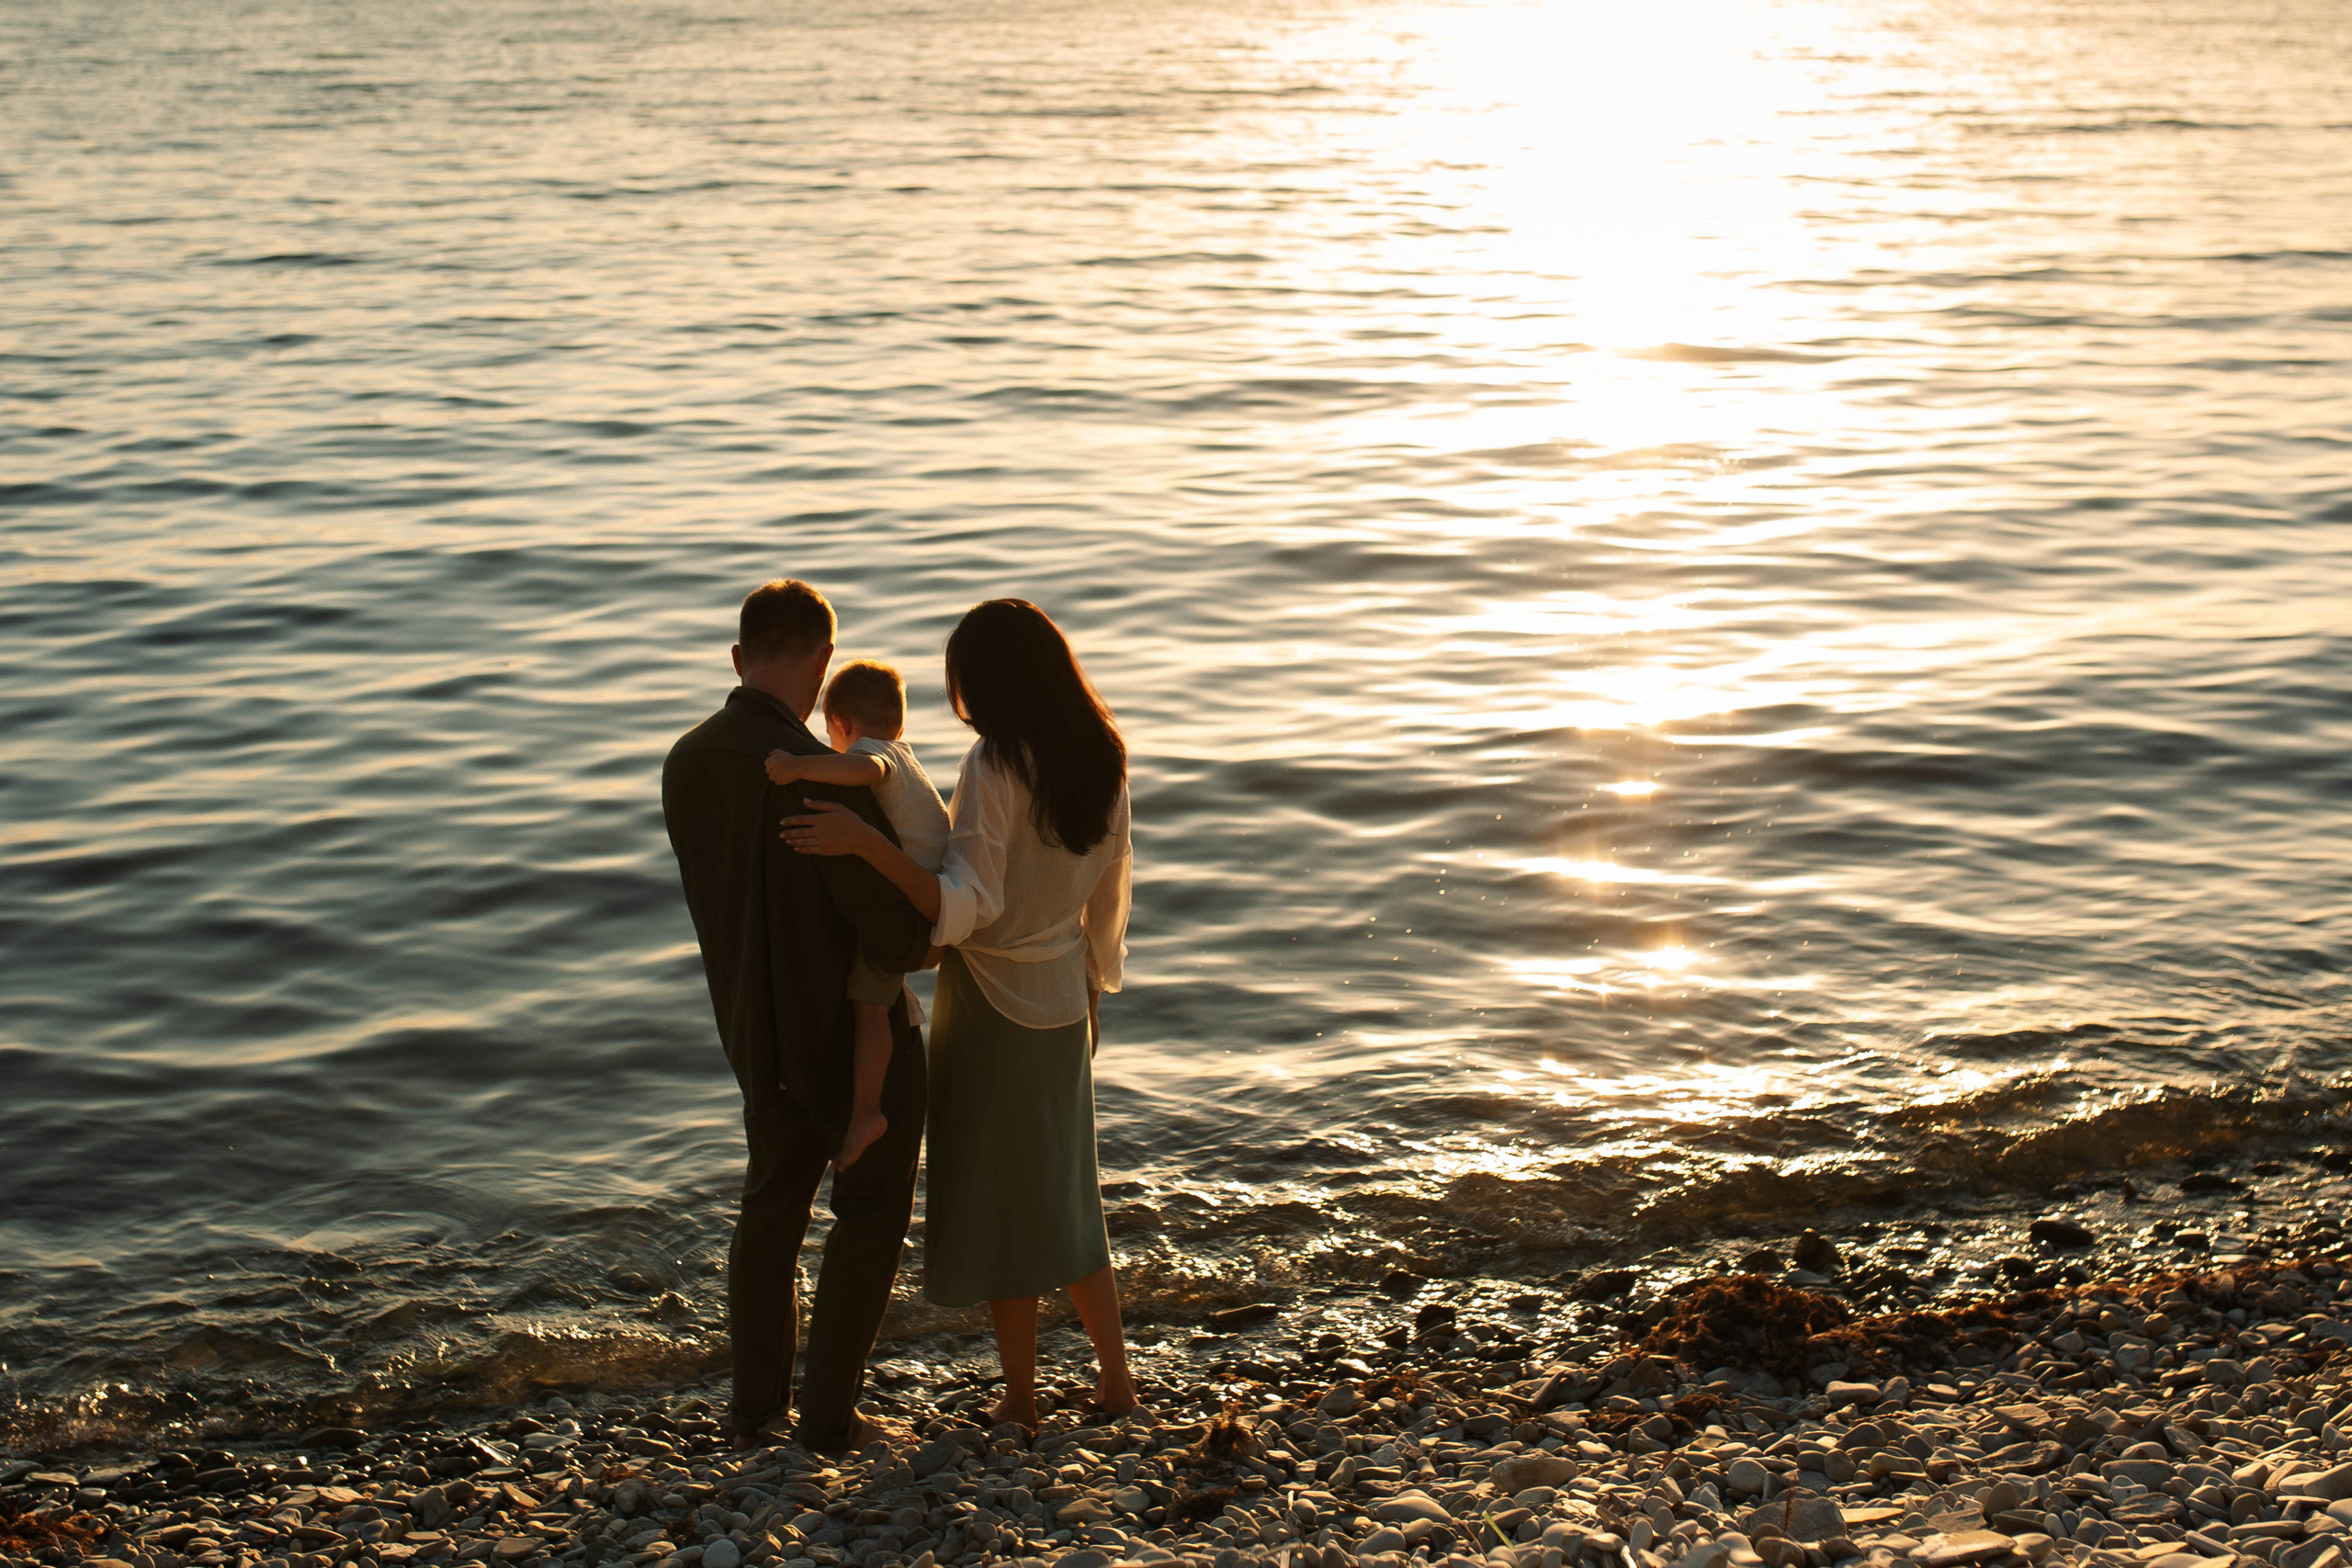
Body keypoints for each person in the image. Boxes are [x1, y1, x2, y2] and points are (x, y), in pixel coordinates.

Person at [780, 598, 1139, 1423]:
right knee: (1069, 1193)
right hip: (1062, 997)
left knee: (997, 1194)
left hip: (993, 1003)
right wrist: (1094, 982)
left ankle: (1022, 1398)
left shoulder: (996, 763)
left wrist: (866, 844)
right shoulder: (1103, 752)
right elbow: (1111, 888)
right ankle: (1115, 1384)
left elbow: (967, 903)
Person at [661, 579, 934, 1452]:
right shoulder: (817, 779)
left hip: (751, 1027)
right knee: (868, 1209)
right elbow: (895, 929)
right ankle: (827, 1417)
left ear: (739, 660)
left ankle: (752, 1408)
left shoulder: (686, 762)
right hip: (853, 1032)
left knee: (770, 1209)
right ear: (822, 664)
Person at [762, 659, 950, 1173]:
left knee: (868, 1007)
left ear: (841, 723)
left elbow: (865, 769)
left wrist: (800, 767)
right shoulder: (906, 754)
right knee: (872, 1001)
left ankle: (867, 1113)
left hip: (919, 913)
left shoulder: (878, 755)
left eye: (829, 733)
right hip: (934, 906)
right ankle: (866, 1110)